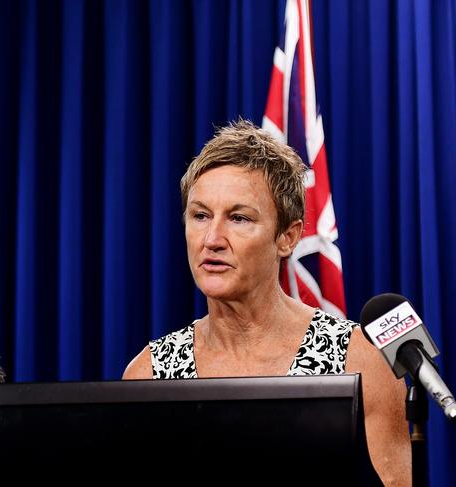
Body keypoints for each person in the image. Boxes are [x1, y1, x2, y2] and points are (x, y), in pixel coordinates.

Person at [123, 119, 410, 486]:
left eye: (239, 218)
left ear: (288, 237)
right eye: (200, 216)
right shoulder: (149, 374)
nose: (211, 239)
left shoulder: (359, 364)